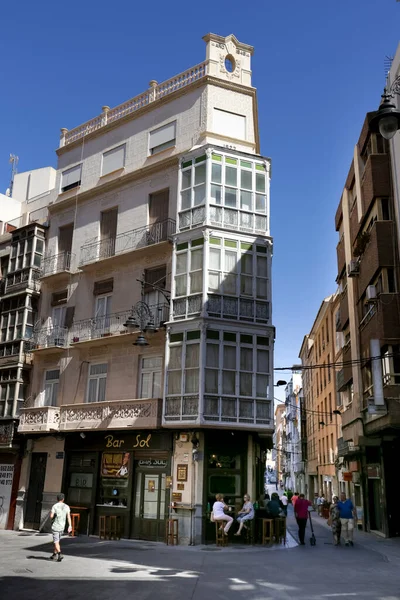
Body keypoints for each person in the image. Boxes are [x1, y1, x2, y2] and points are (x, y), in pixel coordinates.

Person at [50, 493, 72, 562]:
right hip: (62, 526)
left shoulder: (54, 506)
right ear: (63, 499)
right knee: (57, 541)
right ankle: (54, 554)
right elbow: (68, 517)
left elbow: (51, 516)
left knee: (56, 542)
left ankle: (59, 554)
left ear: (57, 499)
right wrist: (70, 525)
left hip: (56, 526)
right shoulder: (67, 506)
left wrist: (52, 515)